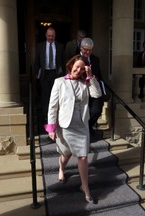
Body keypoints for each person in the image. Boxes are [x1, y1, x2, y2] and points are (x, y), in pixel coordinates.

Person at [44, 55, 102, 203]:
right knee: (66, 153)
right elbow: (53, 106)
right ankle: (61, 168)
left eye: (82, 68)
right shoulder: (60, 82)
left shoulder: (86, 82)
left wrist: (91, 76)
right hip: (65, 125)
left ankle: (85, 187)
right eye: (76, 66)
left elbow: (97, 94)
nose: (78, 70)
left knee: (82, 156)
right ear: (71, 66)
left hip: (81, 125)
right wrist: (51, 128)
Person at [34, 27, 65, 125]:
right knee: (45, 96)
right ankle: (46, 115)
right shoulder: (40, 46)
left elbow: (63, 62)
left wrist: (63, 74)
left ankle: (56, 115)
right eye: (49, 36)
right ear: (46, 35)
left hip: (56, 74)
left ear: (55, 36)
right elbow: (37, 61)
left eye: (53, 36)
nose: (51, 38)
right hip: (45, 74)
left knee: (56, 95)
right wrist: (36, 74)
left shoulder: (60, 46)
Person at [80, 38, 104, 136]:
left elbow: (99, 74)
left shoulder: (95, 59)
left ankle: (89, 126)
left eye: (90, 49)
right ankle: (85, 130)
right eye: (85, 49)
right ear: (81, 48)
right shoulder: (76, 59)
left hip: (94, 89)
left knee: (97, 111)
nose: (88, 52)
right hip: (81, 90)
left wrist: (101, 88)